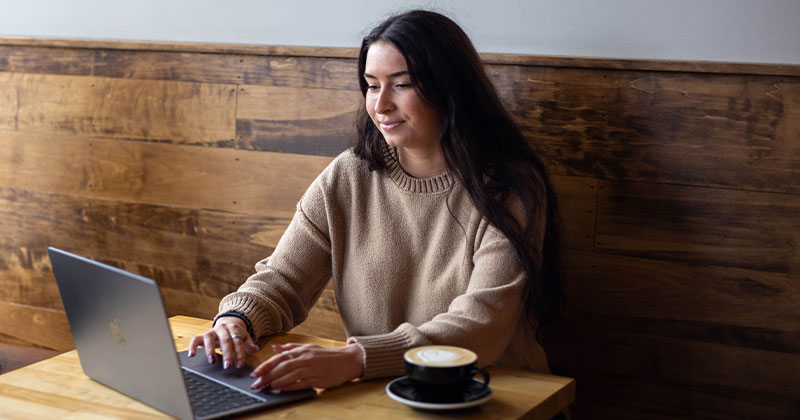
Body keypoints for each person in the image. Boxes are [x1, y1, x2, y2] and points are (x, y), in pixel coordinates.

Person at [188, 9, 564, 393]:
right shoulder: (349, 174)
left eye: (401, 85)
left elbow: (481, 323)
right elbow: (282, 279)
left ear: (450, 88)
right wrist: (236, 321)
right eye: (371, 85)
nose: (380, 105)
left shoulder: (511, 188)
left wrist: (358, 359)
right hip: (385, 390)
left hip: (495, 393)